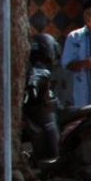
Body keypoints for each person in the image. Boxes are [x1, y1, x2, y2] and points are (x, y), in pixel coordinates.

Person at [24, 33, 61, 162]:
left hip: (48, 109)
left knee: (53, 149)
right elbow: (36, 78)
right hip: (46, 108)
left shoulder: (40, 69)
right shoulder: (39, 69)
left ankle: (54, 160)